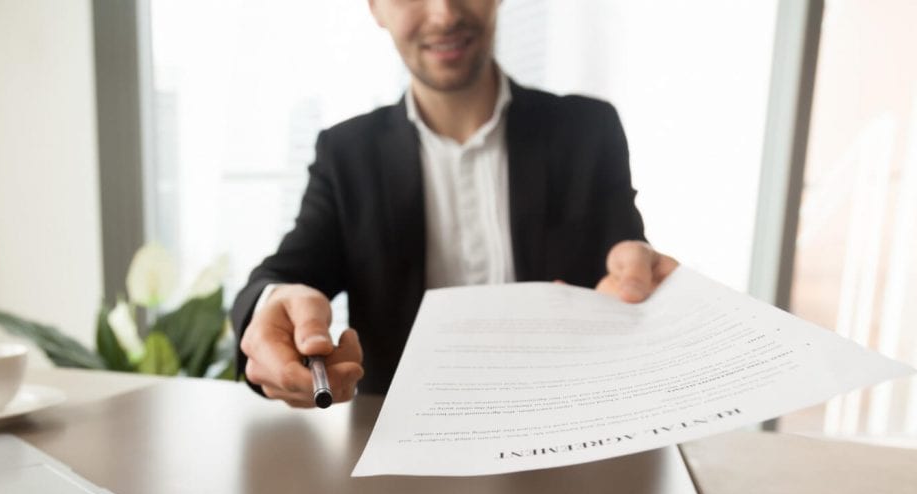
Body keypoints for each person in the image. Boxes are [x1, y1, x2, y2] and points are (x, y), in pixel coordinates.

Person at [232, 0, 678, 407]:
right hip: (406, 450)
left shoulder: (588, 131)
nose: (445, 13)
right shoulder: (347, 154)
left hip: (570, 434)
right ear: (374, 7)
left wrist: (636, 289)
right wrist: (275, 308)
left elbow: (627, 264)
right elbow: (281, 279)